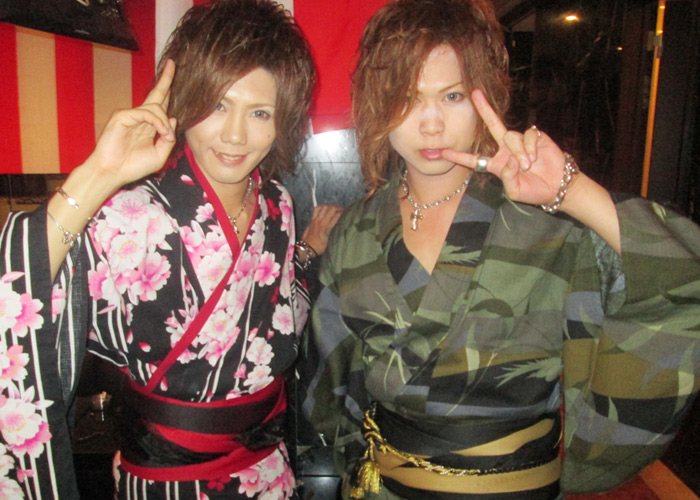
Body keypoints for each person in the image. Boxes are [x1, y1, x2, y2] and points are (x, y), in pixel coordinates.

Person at [302, 0, 700, 499]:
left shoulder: (545, 223)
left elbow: (682, 280)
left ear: (486, 96)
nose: (430, 123)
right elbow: (333, 391)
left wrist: (571, 192)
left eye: (452, 96)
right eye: (406, 97)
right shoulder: (355, 232)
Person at [0, 0, 327, 498]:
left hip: (268, 474)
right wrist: (100, 174)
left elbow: (277, 319)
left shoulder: (276, 203)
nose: (235, 135)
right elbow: (20, 296)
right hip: (167, 483)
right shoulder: (131, 215)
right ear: (185, 100)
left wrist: (305, 253)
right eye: (217, 104)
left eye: (260, 112)